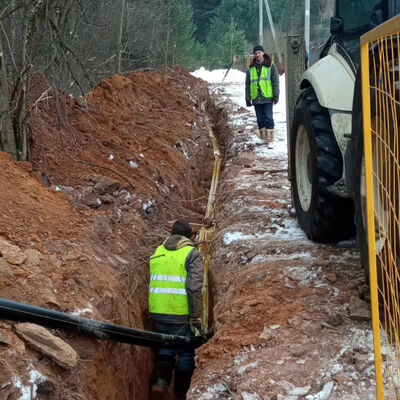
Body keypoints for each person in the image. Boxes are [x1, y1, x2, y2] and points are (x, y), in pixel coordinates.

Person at [149, 219, 204, 400]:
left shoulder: (158, 251)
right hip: (180, 313)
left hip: (158, 312)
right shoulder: (192, 254)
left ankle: (160, 383)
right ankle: (182, 392)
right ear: (188, 237)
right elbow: (194, 287)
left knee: (166, 347)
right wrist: (195, 317)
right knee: (185, 351)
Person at [245, 45, 280, 149]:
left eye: (259, 52)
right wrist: (248, 97)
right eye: (255, 53)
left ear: (263, 53)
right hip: (256, 97)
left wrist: (276, 95)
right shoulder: (251, 69)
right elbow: (248, 84)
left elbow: (275, 81)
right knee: (260, 119)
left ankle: (270, 140)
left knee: (268, 118)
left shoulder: (270, 66)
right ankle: (263, 138)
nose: (257, 55)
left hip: (267, 96)